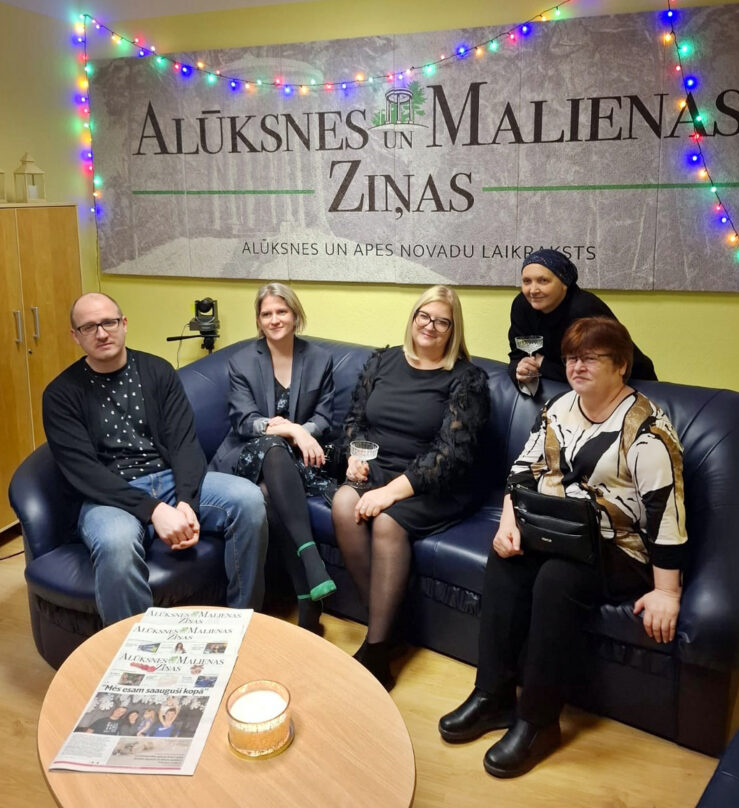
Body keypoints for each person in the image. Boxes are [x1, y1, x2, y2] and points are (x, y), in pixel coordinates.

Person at [439, 316, 686, 778]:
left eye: (590, 358)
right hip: (557, 529)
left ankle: (538, 721)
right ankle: (492, 695)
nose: (577, 366)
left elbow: (666, 516)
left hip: (619, 545)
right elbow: (521, 470)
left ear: (621, 365)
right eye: (572, 357)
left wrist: (666, 592)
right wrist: (508, 527)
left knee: (557, 578)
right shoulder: (559, 407)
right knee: (506, 559)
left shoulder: (648, 431)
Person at [42, 292, 268, 627]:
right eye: (89, 327)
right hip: (109, 496)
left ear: (124, 324)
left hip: (168, 479)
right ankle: (137, 650)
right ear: (75, 336)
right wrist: (156, 511)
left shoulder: (157, 371)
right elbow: (84, 472)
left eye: (108, 322)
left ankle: (244, 621)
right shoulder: (60, 394)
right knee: (116, 544)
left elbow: (184, 443)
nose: (101, 333)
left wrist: (186, 500)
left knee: (248, 499)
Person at [331, 285, 489, 689]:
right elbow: (354, 421)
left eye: (442, 322)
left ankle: (377, 649)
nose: (430, 326)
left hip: (436, 482)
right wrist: (354, 456)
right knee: (344, 502)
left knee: (387, 522)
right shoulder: (382, 360)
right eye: (424, 316)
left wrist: (390, 492)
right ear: (413, 317)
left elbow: (452, 455)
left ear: (453, 330)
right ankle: (390, 628)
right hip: (379, 467)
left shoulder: (466, 379)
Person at [209, 283, 335, 631]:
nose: (275, 319)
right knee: (273, 448)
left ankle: (306, 596)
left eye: (282, 311)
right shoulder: (242, 362)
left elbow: (325, 417)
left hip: (292, 459)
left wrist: (301, 432)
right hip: (247, 452)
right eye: (267, 314)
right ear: (258, 320)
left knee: (268, 492)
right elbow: (244, 420)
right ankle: (311, 563)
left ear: (296, 316)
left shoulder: (319, 359)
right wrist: (294, 431)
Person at [508, 249, 656, 394]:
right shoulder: (522, 305)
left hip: (631, 384)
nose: (533, 290)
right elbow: (518, 355)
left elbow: (596, 370)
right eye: (527, 281)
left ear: (564, 283)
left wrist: (543, 365)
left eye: (543, 281)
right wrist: (521, 370)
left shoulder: (585, 309)